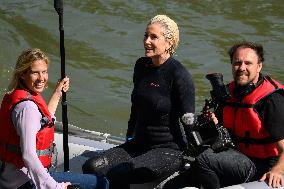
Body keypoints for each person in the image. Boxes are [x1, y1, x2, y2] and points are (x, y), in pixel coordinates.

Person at [82, 15, 195, 189]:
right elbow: (136, 108)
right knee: (91, 166)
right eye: (145, 36)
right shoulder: (141, 66)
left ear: (169, 43)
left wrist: (194, 158)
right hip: (138, 144)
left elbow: (189, 121)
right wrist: (129, 136)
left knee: (120, 173)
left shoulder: (179, 74)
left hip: (168, 150)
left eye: (153, 37)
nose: (146, 41)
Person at [165, 41, 284, 189]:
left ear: (259, 66)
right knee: (178, 176)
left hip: (260, 165)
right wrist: (212, 124)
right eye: (237, 63)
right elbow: (222, 134)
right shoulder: (228, 93)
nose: (242, 68)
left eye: (248, 63)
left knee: (204, 158)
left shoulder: (271, 100)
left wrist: (278, 170)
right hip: (235, 155)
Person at [0, 48, 109, 189]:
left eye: (44, 72)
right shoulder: (27, 108)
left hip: (13, 179)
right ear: (22, 74)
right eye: (35, 72)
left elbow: (43, 122)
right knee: (101, 183)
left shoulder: (21, 98)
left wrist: (57, 92)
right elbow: (29, 156)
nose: (41, 78)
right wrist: (55, 187)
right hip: (24, 184)